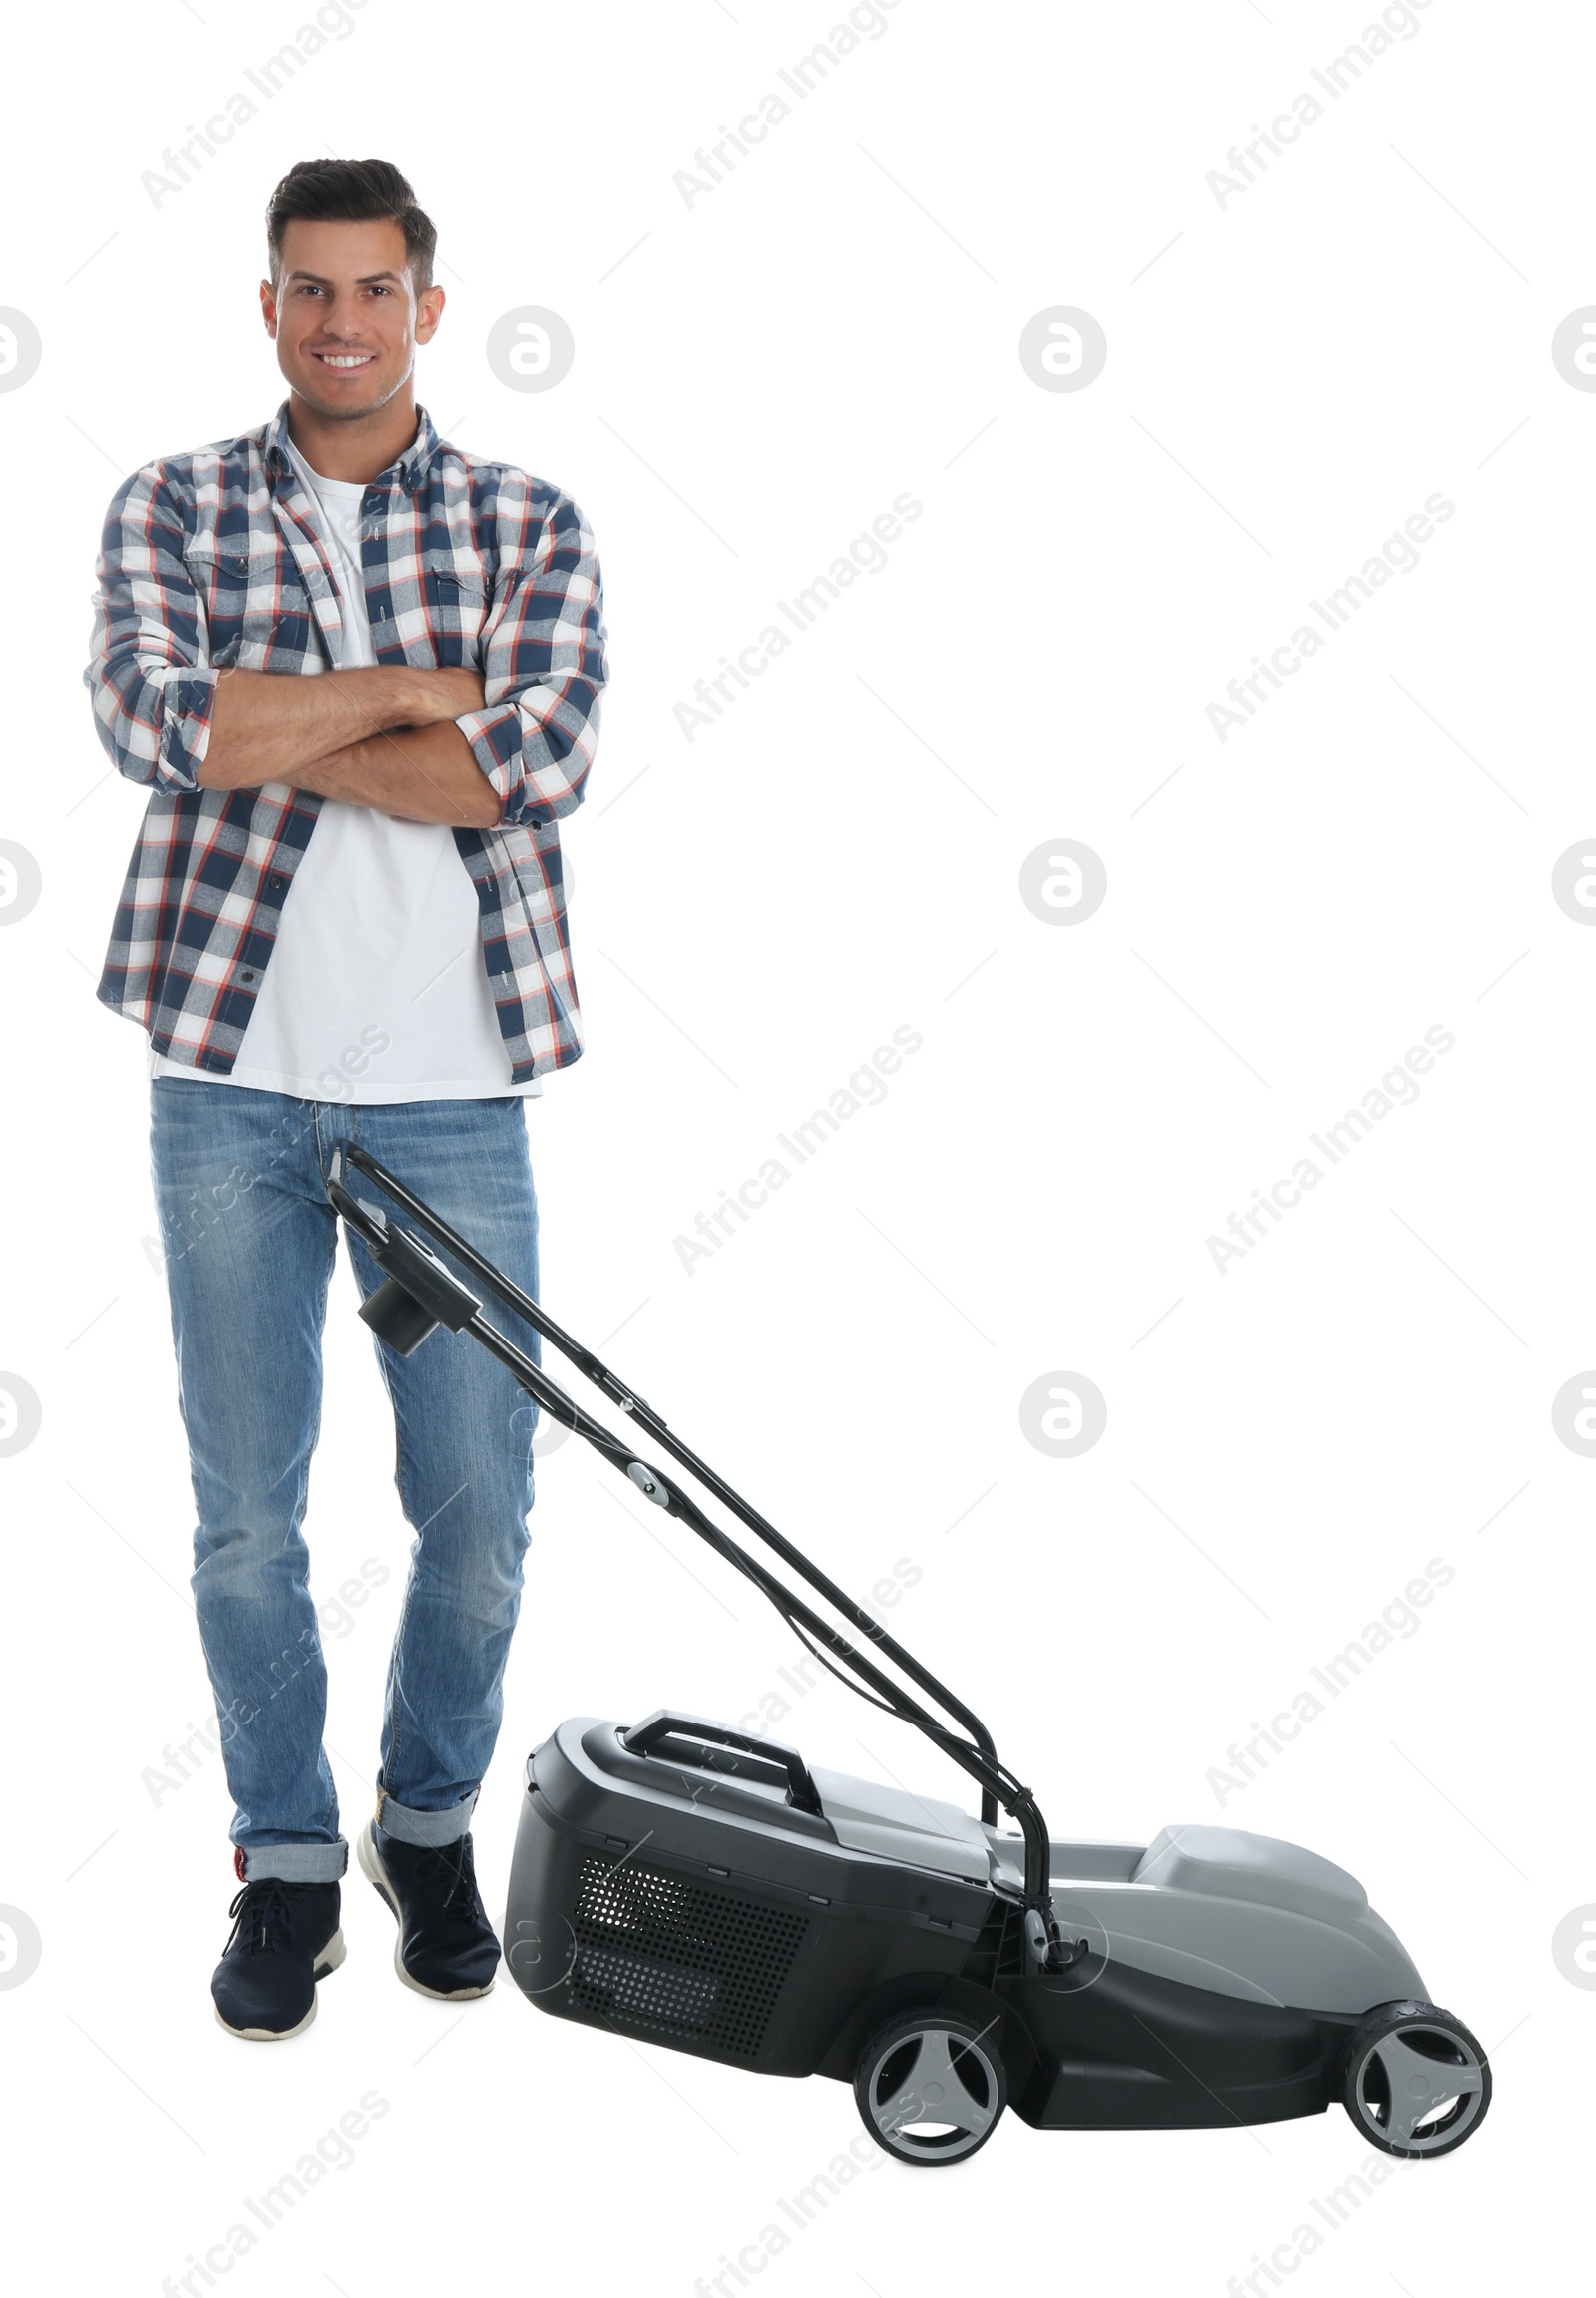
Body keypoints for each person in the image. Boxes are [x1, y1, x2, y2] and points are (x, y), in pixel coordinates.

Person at [83, 157, 608, 2039]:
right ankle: (287, 1866)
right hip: (226, 1085)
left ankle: (429, 1820)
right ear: (270, 307)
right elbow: (165, 727)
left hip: (454, 1098)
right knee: (247, 1522)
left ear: (426, 309)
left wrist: (286, 717)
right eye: (309, 289)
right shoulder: (173, 501)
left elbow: (521, 771)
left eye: (374, 290)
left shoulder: (527, 517)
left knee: (477, 1513)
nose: (340, 321)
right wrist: (407, 688)